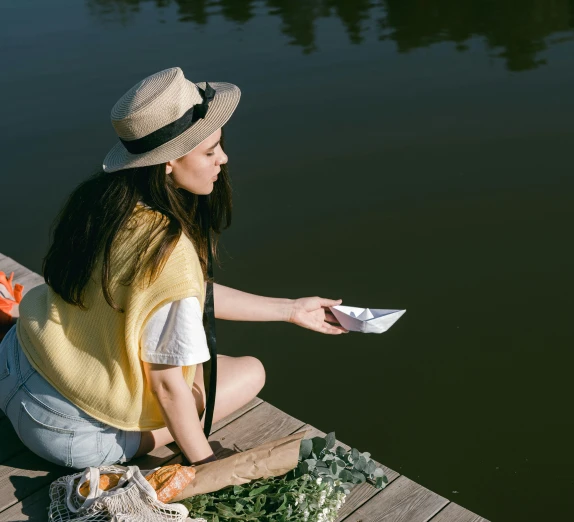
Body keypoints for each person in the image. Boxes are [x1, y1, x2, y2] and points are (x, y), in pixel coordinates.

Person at [0, 67, 347, 469]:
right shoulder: (170, 252)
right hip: (64, 435)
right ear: (167, 163)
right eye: (209, 150)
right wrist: (208, 465)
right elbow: (166, 387)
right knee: (250, 372)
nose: (224, 158)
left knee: (194, 358)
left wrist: (289, 310)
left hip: (14, 363)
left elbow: (182, 291)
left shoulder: (100, 201)